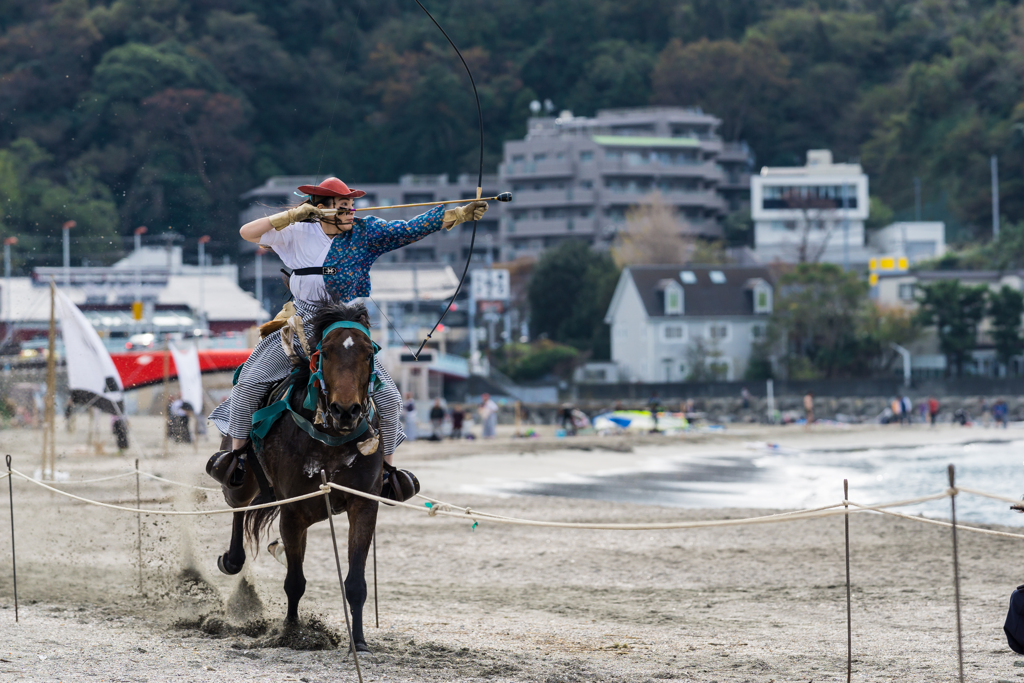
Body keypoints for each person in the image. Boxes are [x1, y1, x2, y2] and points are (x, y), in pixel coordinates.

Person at [207, 177, 487, 499]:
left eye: (352, 206)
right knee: (249, 384)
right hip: (303, 328)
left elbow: (409, 229)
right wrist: (291, 216)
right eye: (343, 207)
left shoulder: (366, 233)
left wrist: (457, 215)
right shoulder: (297, 233)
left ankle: (388, 472)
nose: (351, 212)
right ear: (322, 210)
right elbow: (248, 233)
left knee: (392, 400)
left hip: (350, 332)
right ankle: (237, 457)